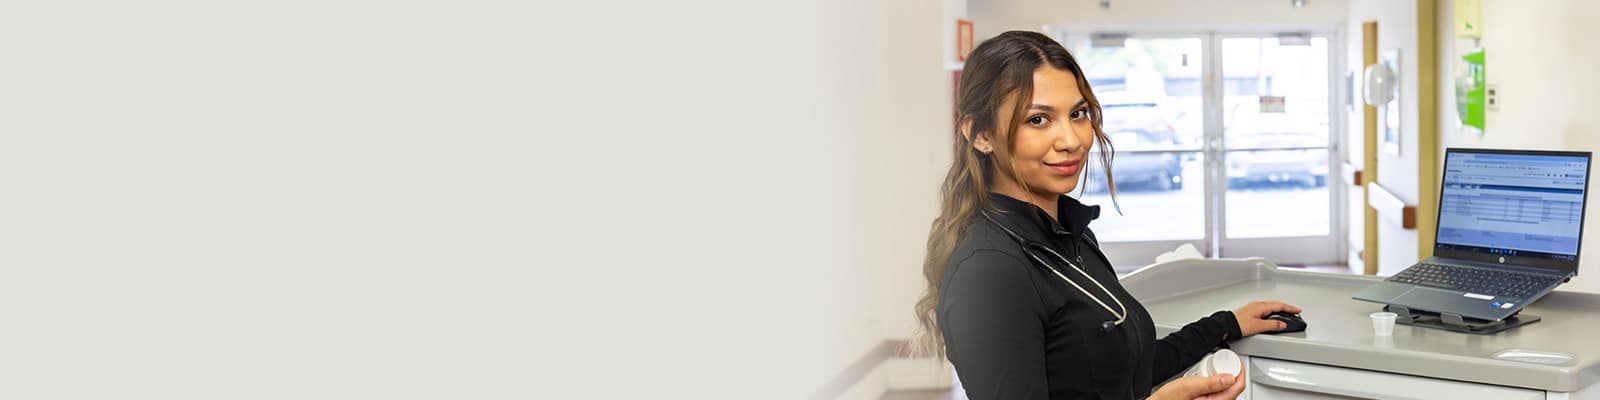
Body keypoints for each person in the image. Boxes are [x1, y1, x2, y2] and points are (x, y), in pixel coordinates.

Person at [913, 31, 1303, 400]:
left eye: (1078, 113)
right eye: (1038, 119)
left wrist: (1226, 325)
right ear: (979, 134)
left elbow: (1124, 368)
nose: (1072, 140)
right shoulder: (989, 271)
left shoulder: (1070, 236)